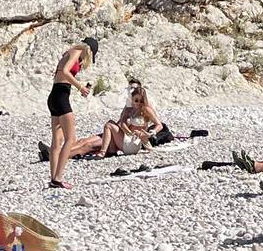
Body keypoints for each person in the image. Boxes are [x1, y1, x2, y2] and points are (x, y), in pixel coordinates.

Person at [45, 38, 98, 189]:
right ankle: (58, 178)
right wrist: (80, 86)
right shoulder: (77, 52)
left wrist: (79, 85)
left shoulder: (68, 53)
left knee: (57, 141)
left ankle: (53, 178)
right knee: (70, 139)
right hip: (61, 97)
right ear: (90, 51)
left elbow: (61, 74)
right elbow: (65, 71)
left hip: (54, 96)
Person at [79, 80, 173, 160]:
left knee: (104, 129)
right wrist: (127, 131)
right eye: (136, 100)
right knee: (83, 141)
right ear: (132, 99)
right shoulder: (129, 108)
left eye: (141, 101)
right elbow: (122, 122)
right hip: (126, 138)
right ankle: (110, 152)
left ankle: (102, 153)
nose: (139, 103)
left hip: (133, 142)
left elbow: (159, 125)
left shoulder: (146, 109)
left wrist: (151, 133)